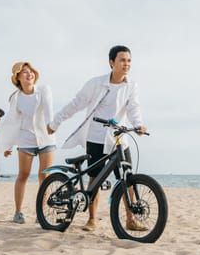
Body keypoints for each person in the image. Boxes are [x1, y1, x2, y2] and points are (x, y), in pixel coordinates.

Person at [47, 45, 148, 232]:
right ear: (112, 63)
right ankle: (92, 219)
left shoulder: (131, 85)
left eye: (129, 61)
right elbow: (76, 104)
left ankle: (130, 219)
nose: (126, 64)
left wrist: (138, 124)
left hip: (118, 138)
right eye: (122, 60)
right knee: (95, 178)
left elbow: (134, 108)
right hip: (96, 136)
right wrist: (55, 123)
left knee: (127, 178)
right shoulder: (95, 84)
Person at [0, 61, 56, 224]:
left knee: (44, 176)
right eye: (24, 72)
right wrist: (8, 145)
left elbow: (49, 108)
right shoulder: (16, 98)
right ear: (17, 77)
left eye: (30, 71)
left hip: (46, 138)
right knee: (23, 175)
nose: (29, 74)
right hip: (26, 139)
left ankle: (41, 212)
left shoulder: (44, 90)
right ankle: (18, 212)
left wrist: (51, 124)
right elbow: (12, 122)